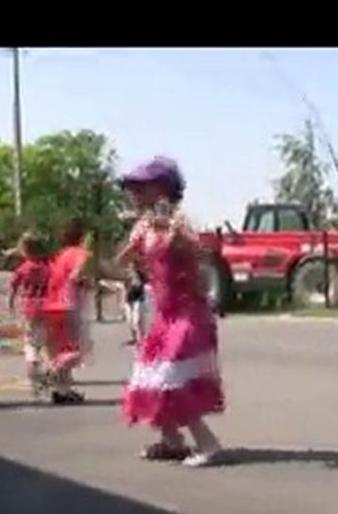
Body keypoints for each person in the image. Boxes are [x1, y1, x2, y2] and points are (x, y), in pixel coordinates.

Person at [114, 157, 224, 467]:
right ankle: (172, 441)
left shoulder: (180, 222)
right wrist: (133, 247)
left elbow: (200, 251)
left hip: (187, 313)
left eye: (140, 187)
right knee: (151, 378)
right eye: (133, 188)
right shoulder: (144, 226)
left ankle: (208, 443)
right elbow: (120, 262)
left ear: (161, 189)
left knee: (173, 378)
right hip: (164, 315)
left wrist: (174, 234)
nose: (133, 193)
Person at [42, 218, 91, 404]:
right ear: (81, 236)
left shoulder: (61, 255)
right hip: (69, 305)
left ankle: (63, 390)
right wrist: (84, 282)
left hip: (53, 305)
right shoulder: (81, 253)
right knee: (76, 350)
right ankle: (52, 372)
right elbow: (77, 275)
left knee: (63, 347)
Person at [9, 232, 51, 397]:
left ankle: (34, 369)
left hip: (29, 308)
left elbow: (13, 288)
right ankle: (48, 370)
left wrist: (12, 304)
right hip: (46, 306)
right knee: (45, 341)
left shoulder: (22, 269)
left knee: (30, 343)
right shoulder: (46, 268)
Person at [124, 266, 148, 345]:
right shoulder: (127, 275)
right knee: (129, 320)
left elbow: (144, 284)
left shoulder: (141, 275)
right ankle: (134, 337)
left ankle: (141, 338)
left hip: (138, 299)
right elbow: (125, 287)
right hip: (129, 299)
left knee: (137, 320)